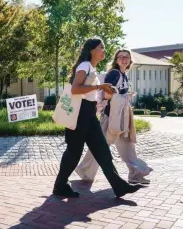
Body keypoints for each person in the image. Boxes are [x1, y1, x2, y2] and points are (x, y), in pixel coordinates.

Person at [52, 37, 144, 198]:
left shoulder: (91, 67)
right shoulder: (84, 66)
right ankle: (60, 185)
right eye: (101, 47)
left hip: (88, 113)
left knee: (102, 152)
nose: (104, 50)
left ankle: (119, 186)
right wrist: (99, 86)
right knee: (74, 152)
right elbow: (75, 89)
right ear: (92, 50)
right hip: (79, 114)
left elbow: (88, 93)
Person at [76, 49, 153, 184]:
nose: (124, 59)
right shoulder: (114, 74)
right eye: (121, 57)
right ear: (116, 60)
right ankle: (84, 170)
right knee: (101, 146)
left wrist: (126, 96)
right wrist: (124, 97)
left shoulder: (124, 75)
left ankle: (135, 174)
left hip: (121, 116)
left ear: (130, 61)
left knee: (128, 145)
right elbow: (107, 95)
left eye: (127, 57)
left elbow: (117, 94)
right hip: (110, 116)